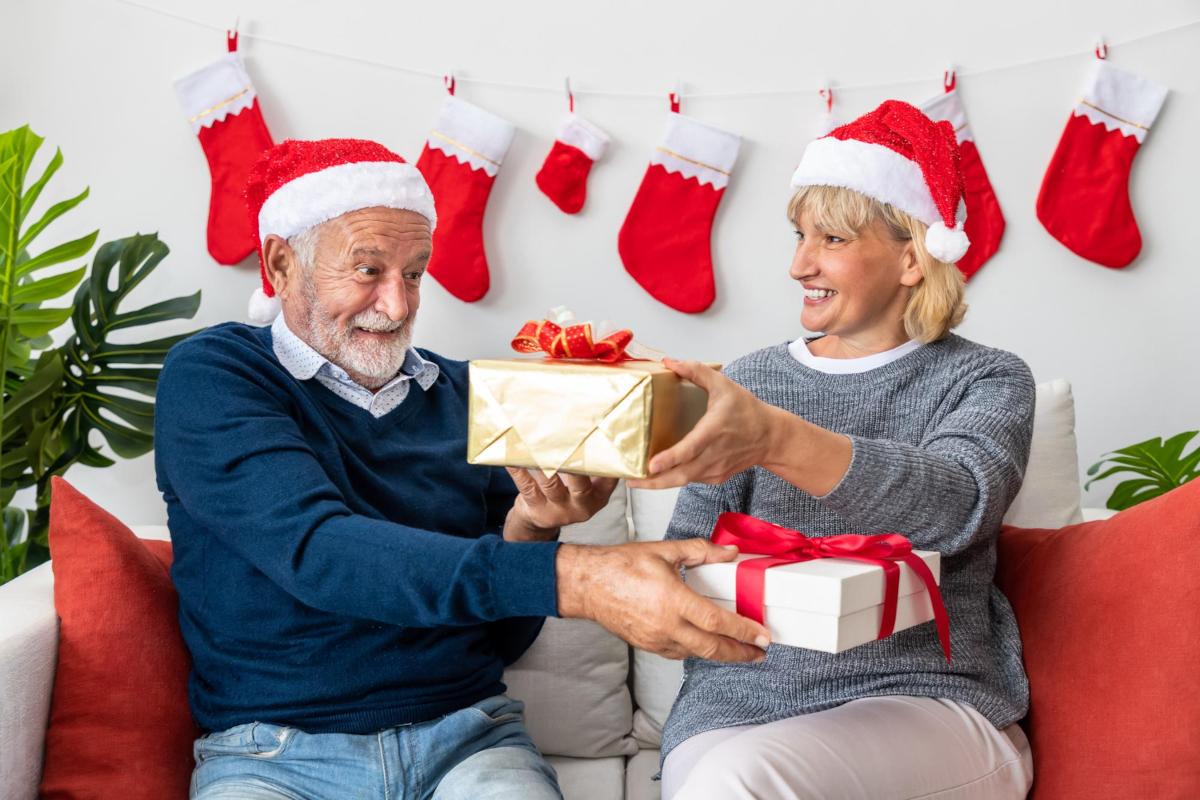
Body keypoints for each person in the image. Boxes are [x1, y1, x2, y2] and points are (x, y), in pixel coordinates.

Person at [155, 138, 770, 800]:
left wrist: (533, 526)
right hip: (273, 756)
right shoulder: (216, 375)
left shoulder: (473, 396)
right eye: (367, 270)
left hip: (467, 741)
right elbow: (318, 550)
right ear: (280, 263)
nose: (397, 306)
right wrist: (584, 580)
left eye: (414, 274)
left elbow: (498, 639)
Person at [629, 100, 1037, 799]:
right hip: (731, 713)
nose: (799, 264)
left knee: (738, 783)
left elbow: (960, 505)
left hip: (921, 700)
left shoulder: (985, 379)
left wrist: (776, 438)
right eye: (798, 235)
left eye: (833, 240)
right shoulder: (752, 379)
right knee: (718, 782)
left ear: (913, 256)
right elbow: (686, 561)